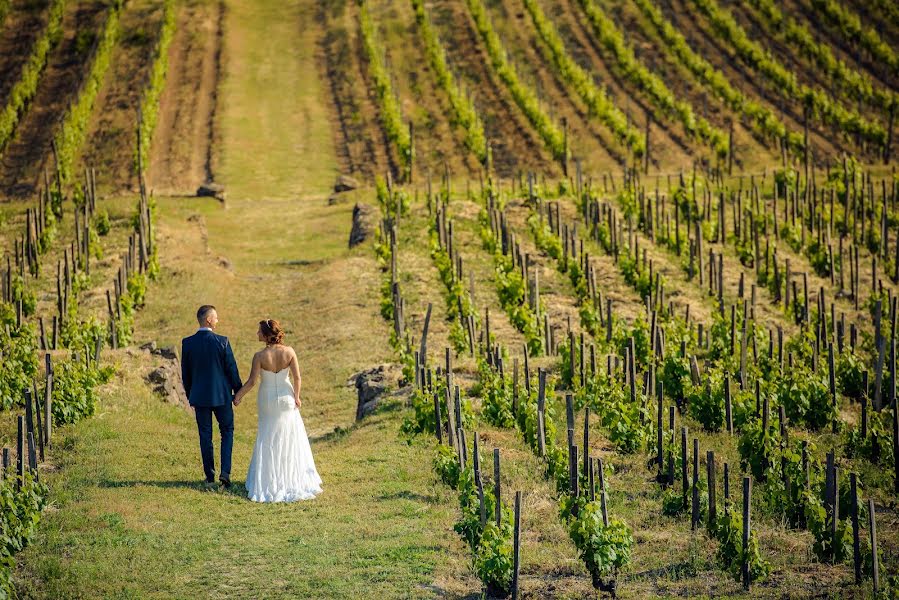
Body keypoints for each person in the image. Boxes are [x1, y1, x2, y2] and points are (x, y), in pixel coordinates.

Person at [233, 319, 322, 502]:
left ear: (266, 335)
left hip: (267, 400)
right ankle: (291, 478)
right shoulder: (289, 352)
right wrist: (296, 397)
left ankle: (268, 480)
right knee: (289, 437)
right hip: (286, 398)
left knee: (268, 437)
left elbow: (251, 382)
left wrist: (238, 396)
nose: (257, 334)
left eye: (259, 332)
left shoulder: (259, 356)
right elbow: (297, 378)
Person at [180, 305, 242, 488]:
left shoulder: (188, 343)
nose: (217, 320)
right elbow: (231, 368)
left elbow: (186, 373)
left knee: (205, 435)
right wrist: (238, 389)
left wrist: (191, 394)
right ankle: (225, 472)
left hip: (199, 397)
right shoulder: (222, 341)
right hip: (222, 396)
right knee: (227, 432)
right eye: (215, 317)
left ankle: (209, 475)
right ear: (208, 320)